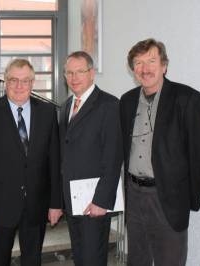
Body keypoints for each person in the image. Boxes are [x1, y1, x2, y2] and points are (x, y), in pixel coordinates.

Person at [120, 38, 200, 266]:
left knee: (170, 261)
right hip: (133, 195)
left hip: (168, 198)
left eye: (152, 60)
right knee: (137, 260)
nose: (145, 68)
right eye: (138, 63)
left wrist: (190, 198)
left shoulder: (187, 99)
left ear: (164, 65)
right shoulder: (127, 101)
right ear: (133, 70)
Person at [0, 58, 63, 266]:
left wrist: (56, 203)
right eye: (13, 80)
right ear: (5, 81)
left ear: (32, 83)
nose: (19, 86)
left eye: (25, 81)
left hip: (36, 205)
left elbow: (54, 162)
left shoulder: (47, 113)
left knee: (32, 260)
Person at [59, 51, 123, 266]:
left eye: (80, 72)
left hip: (94, 201)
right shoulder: (67, 105)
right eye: (69, 72)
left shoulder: (109, 105)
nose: (74, 78)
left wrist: (101, 201)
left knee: (93, 258)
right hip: (72, 199)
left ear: (92, 73)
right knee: (80, 255)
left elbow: (113, 157)